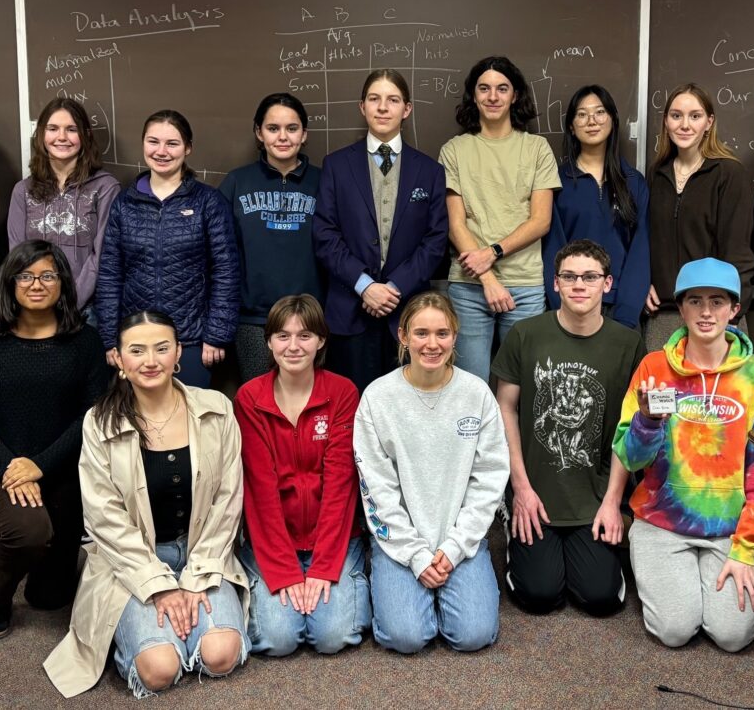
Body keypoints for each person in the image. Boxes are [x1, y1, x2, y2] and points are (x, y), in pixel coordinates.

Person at [45, 311, 248, 698]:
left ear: (178, 355)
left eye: (161, 348)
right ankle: (135, 643)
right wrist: (158, 587)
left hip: (202, 552)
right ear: (119, 360)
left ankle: (183, 626)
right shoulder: (99, 423)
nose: (150, 361)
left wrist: (194, 579)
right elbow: (104, 518)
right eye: (137, 351)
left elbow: (228, 500)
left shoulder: (217, 409)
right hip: (130, 563)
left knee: (219, 655)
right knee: (159, 670)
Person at [613, 257, 754, 651]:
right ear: (681, 307)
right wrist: (647, 422)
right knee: (674, 631)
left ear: (735, 309)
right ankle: (673, 577)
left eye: (718, 301)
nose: (706, 312)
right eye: (695, 301)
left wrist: (746, 548)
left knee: (733, 635)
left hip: (729, 528)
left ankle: (709, 580)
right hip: (661, 522)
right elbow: (630, 456)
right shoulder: (654, 366)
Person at [0, 240, 112, 640]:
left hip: (64, 469)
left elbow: (93, 417)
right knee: (29, 532)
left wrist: (41, 464)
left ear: (63, 282)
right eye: (25, 276)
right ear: (10, 283)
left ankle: (49, 565)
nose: (36, 284)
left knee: (50, 597)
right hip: (1, 467)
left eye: (48, 275)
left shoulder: (85, 342)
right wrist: (15, 466)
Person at [353, 292, 510, 653]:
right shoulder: (378, 398)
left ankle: (451, 588)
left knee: (473, 636)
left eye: (442, 333)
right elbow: (377, 488)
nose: (432, 344)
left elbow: (488, 479)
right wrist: (416, 555)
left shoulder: (477, 394)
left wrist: (455, 548)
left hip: (459, 538)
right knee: (406, 637)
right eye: (421, 333)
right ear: (403, 336)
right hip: (399, 541)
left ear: (455, 336)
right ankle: (399, 585)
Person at [493, 239, 643, 616]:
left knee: (600, 599)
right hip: (536, 493)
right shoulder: (525, 335)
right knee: (539, 596)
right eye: (569, 276)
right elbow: (504, 408)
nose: (580, 284)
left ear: (607, 284)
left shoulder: (628, 344)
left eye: (590, 277)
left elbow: (630, 427)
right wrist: (521, 489)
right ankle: (516, 526)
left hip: (594, 497)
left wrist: (612, 502)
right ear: (555, 283)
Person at [234, 294, 371, 656]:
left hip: (334, 538)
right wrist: (285, 572)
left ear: (322, 341)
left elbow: (341, 486)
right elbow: (260, 492)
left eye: (305, 335)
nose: (293, 346)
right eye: (282, 336)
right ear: (268, 341)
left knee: (332, 637)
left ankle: (345, 579)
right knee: (277, 640)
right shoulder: (250, 398)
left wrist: (324, 567)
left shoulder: (342, 393)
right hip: (276, 540)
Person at [313, 70, 449, 391]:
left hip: (407, 314)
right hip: (350, 310)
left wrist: (394, 287)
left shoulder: (429, 170)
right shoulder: (336, 165)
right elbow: (325, 234)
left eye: (393, 100)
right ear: (363, 107)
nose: (383, 107)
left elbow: (436, 240)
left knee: (409, 408)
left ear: (407, 109)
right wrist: (365, 286)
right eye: (374, 99)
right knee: (353, 408)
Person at [95, 110, 239, 389]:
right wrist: (111, 338)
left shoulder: (208, 202)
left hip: (192, 340)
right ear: (143, 144)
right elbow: (110, 275)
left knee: (190, 423)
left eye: (172, 143)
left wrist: (217, 334)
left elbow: (226, 271)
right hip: (136, 339)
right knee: (140, 424)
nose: (162, 151)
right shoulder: (124, 204)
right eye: (153, 142)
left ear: (188, 148)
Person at [441, 56, 561, 381]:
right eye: (484, 88)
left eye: (502, 88)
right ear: (474, 95)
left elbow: (540, 221)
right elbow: (455, 224)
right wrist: (488, 279)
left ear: (514, 95)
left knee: (521, 386)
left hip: (525, 285)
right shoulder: (454, 150)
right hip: (469, 287)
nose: (493, 96)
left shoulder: (537, 148)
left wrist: (492, 253)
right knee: (471, 385)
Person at [221, 93, 325, 383]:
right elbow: (219, 253)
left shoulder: (325, 181)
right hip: (254, 320)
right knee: (258, 405)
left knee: (306, 405)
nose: (283, 137)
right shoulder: (236, 182)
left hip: (310, 320)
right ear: (259, 132)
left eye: (292, 129)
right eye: (273, 128)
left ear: (304, 134)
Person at [644, 83, 754, 351]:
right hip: (664, 315)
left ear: (709, 122)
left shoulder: (729, 174)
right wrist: (642, 281)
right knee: (662, 393)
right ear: (666, 122)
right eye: (676, 115)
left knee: (718, 393)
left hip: (714, 316)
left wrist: (728, 316)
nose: (685, 125)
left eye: (695, 116)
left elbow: (737, 253)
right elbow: (646, 239)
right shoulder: (656, 175)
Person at [542, 85, 649, 331]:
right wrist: (563, 307)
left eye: (600, 112)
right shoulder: (557, 183)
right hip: (570, 308)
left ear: (612, 119)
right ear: (571, 125)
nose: (591, 121)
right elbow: (552, 251)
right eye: (581, 114)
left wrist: (627, 314)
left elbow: (640, 251)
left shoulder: (633, 181)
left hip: (621, 309)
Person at [7, 98, 121, 321]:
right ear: (41, 134)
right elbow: (18, 256)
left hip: (88, 311)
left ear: (86, 136)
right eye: (53, 129)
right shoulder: (23, 191)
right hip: (35, 310)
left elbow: (102, 255)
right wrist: (42, 302)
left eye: (71, 129)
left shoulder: (105, 188)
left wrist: (70, 304)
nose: (61, 137)